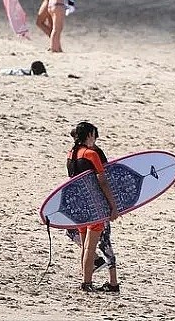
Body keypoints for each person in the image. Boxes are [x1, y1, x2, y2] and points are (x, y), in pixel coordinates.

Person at [67, 122, 119, 292]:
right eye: (95, 135)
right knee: (90, 247)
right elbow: (103, 182)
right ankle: (86, 283)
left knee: (84, 245)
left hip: (79, 205)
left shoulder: (71, 154)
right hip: (94, 206)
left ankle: (85, 281)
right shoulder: (91, 154)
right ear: (89, 135)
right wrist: (113, 205)